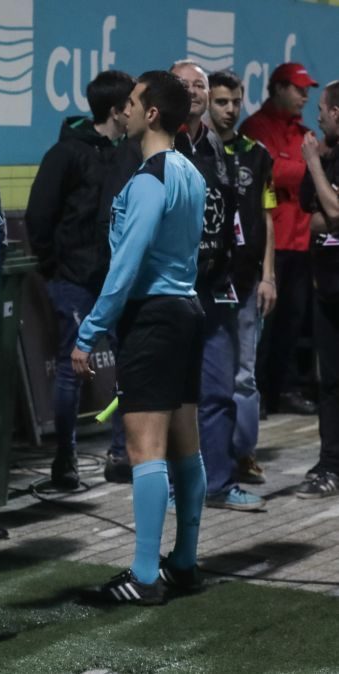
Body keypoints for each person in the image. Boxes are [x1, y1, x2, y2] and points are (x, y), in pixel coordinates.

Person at [72, 70, 206, 604]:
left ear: (151, 113)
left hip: (154, 317)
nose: (122, 110)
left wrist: (90, 332)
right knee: (184, 447)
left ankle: (145, 575)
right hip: (186, 313)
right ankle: (185, 561)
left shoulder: (152, 177)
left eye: (131, 102)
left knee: (145, 449)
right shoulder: (189, 172)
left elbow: (126, 265)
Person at [25, 69, 135, 489]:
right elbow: (39, 216)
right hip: (74, 280)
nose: (137, 111)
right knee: (74, 368)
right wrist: (57, 268)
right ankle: (65, 458)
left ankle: (122, 452)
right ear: (116, 110)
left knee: (129, 363)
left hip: (117, 281)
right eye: (132, 105)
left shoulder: (129, 153)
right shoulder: (68, 154)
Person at [170, 60, 264, 511]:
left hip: (215, 288)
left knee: (219, 391)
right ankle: (171, 486)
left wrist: (235, 267)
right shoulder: (153, 145)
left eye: (200, 85)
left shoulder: (219, 151)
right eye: (184, 84)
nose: (194, 92)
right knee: (171, 395)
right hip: (167, 290)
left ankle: (219, 484)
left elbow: (235, 220)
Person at [205, 70, 277, 486]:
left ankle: (243, 453)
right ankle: (209, 453)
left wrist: (269, 275)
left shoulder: (257, 154)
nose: (230, 110)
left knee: (244, 374)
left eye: (235, 102)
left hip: (248, 282)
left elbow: (266, 217)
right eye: (221, 102)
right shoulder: (193, 150)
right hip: (208, 282)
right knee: (210, 372)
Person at [240, 63, 319, 417]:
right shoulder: (256, 127)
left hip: (302, 243)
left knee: (291, 322)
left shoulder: (302, 132)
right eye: (299, 89)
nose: (305, 96)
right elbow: (270, 171)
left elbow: (289, 172)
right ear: (278, 88)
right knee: (263, 327)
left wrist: (303, 169)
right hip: (271, 244)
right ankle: (255, 394)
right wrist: (312, 168)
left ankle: (283, 389)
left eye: (307, 90)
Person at [297, 80, 339, 499]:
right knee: (328, 382)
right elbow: (313, 209)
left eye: (323, 110)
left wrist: (312, 161)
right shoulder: (331, 153)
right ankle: (330, 464)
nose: (318, 117)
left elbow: (335, 213)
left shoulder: (319, 158)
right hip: (327, 286)